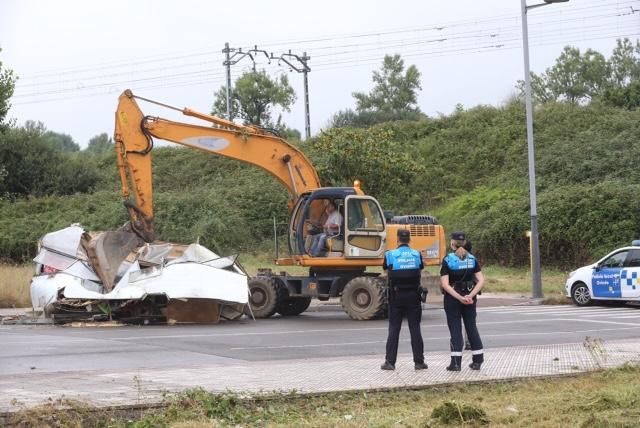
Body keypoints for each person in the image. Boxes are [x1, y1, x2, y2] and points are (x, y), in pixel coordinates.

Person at [381, 229, 427, 371]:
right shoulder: (416, 254)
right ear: (409, 239)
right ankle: (419, 362)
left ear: (397, 239)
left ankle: (390, 362)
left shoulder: (390, 255)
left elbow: (385, 269)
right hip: (414, 296)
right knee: (415, 328)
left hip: (396, 296)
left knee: (394, 328)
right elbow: (420, 268)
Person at [440, 231, 485, 371]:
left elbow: (445, 285)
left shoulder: (448, 260)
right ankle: (477, 361)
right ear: (464, 243)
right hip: (470, 298)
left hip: (453, 299)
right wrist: (470, 296)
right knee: (471, 327)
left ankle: (455, 363)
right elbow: (481, 280)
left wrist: (459, 297)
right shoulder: (472, 259)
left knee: (455, 329)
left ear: (452, 243)